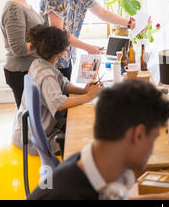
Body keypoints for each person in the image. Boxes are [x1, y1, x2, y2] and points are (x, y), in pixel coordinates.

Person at [28, 80, 169, 200]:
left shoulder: (96, 165)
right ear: (137, 135)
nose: (152, 149)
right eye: (153, 139)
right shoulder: (66, 194)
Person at [40, 0, 136, 80]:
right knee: (57, 100)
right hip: (51, 60)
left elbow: (102, 12)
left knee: (67, 96)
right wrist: (88, 47)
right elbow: (58, 32)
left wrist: (128, 23)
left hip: (68, 58)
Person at [11, 25, 103, 156]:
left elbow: (62, 84)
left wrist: (83, 91)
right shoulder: (46, 75)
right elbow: (59, 104)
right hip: (35, 140)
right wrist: (88, 97)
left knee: (79, 125)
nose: (67, 49)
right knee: (84, 141)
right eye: (66, 47)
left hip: (32, 129)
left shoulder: (39, 64)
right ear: (59, 51)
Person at [1, 0, 45, 108]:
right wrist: (46, 42)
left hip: (30, 69)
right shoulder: (14, 10)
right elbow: (18, 49)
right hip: (20, 72)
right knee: (28, 119)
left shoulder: (25, 5)